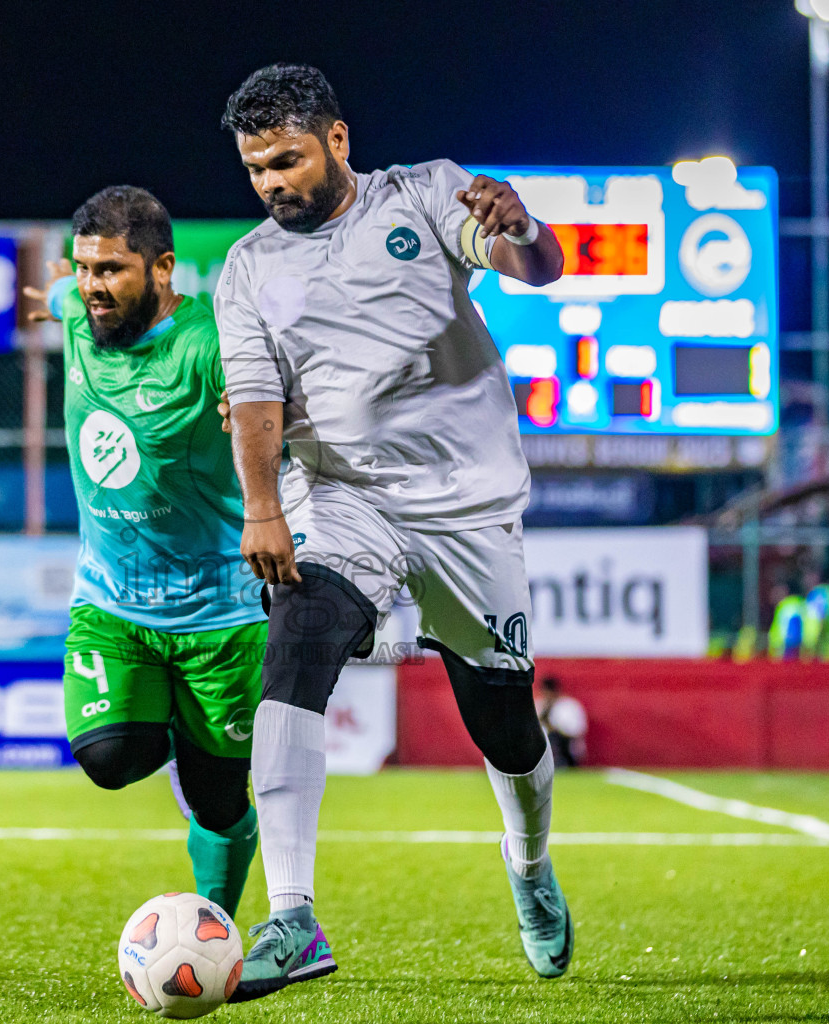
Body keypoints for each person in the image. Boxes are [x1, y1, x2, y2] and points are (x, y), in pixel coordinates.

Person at [214, 64, 569, 999]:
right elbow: (253, 400)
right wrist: (263, 507)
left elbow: (536, 269)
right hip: (344, 499)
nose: (272, 183)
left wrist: (520, 227)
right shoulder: (247, 268)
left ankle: (529, 864)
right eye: (255, 169)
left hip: (468, 509)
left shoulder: (422, 194)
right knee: (296, 639)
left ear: (337, 139)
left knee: (504, 727)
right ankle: (293, 917)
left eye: (287, 160)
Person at [23, 186, 263, 919]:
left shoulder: (211, 344)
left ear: (162, 268)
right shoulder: (79, 310)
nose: (92, 286)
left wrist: (257, 406)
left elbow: (275, 406)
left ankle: (213, 932)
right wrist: (56, 297)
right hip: (112, 604)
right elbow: (64, 297)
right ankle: (175, 731)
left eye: (111, 271)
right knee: (109, 758)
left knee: (218, 796)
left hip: (223, 614)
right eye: (84, 268)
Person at [536, 677, 587, 769]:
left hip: (566, 747)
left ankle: (561, 762)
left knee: (555, 737)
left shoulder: (569, 706)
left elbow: (577, 730)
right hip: (543, 747)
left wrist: (554, 728)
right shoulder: (538, 705)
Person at [767, 582, 806, 661]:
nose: (772, 595)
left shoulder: (789, 606)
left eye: (776, 591)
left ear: (785, 590)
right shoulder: (793, 603)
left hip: (785, 653)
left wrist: (788, 652)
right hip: (783, 652)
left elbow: (793, 631)